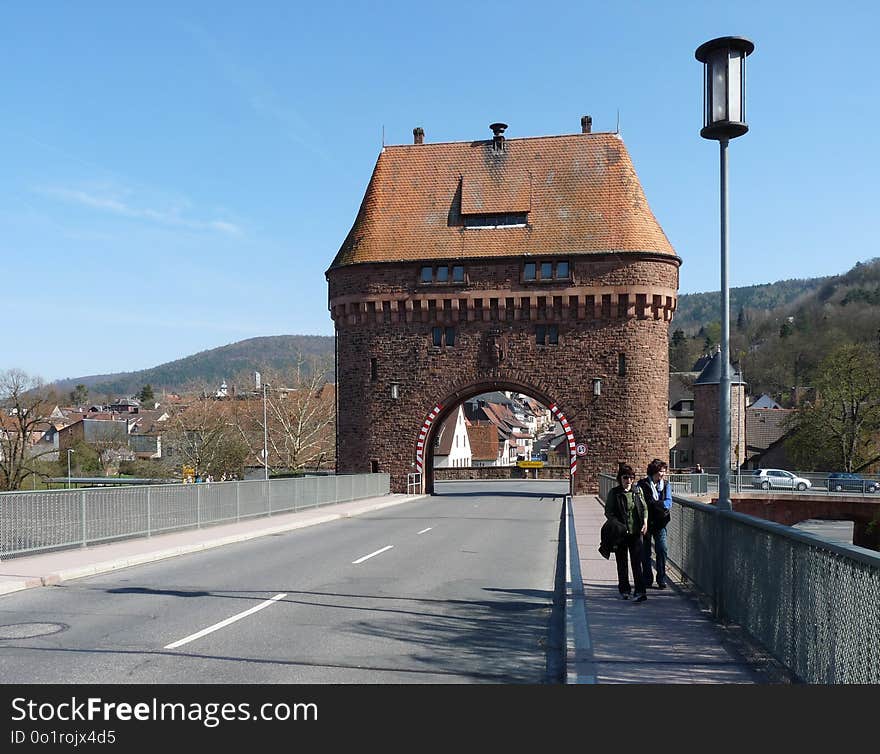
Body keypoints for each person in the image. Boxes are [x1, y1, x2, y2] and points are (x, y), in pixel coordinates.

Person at [603, 463, 648, 602]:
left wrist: (645, 522)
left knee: (636, 562)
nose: (628, 480)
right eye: (625, 477)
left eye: (631, 477)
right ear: (620, 478)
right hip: (620, 533)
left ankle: (640, 592)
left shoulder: (637, 491)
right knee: (622, 563)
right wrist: (616, 524)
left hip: (635, 532)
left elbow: (644, 507)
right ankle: (624, 590)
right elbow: (608, 512)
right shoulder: (614, 493)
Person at [638, 459, 672, 590]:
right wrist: (659, 505)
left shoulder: (666, 485)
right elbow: (644, 503)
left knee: (662, 549)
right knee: (645, 552)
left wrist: (655, 504)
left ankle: (661, 578)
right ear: (653, 472)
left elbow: (668, 503)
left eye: (664, 471)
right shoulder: (643, 484)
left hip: (660, 523)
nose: (662, 474)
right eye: (660, 472)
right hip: (646, 523)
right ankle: (647, 578)